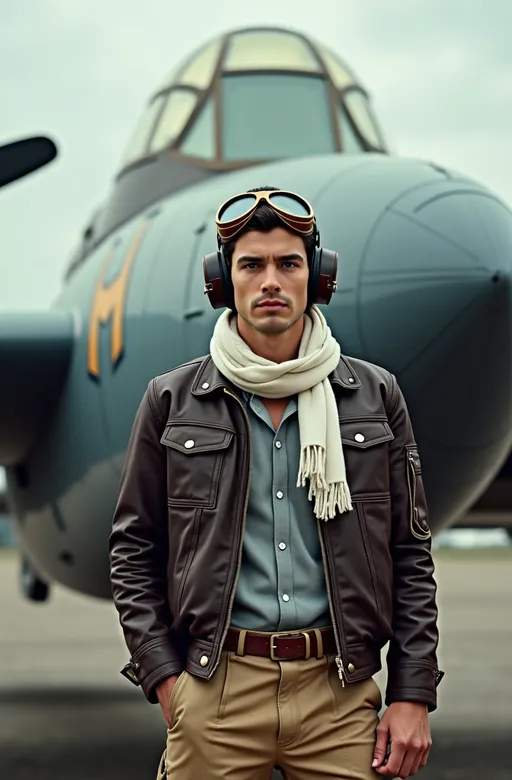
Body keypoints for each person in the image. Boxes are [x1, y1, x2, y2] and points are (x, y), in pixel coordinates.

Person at [109, 186, 443, 780]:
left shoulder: (374, 396)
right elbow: (133, 550)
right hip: (216, 690)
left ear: (317, 277)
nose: (270, 281)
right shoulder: (172, 401)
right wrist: (164, 678)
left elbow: (409, 554)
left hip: (338, 694)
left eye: (288, 264)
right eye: (251, 265)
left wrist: (412, 693)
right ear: (223, 282)